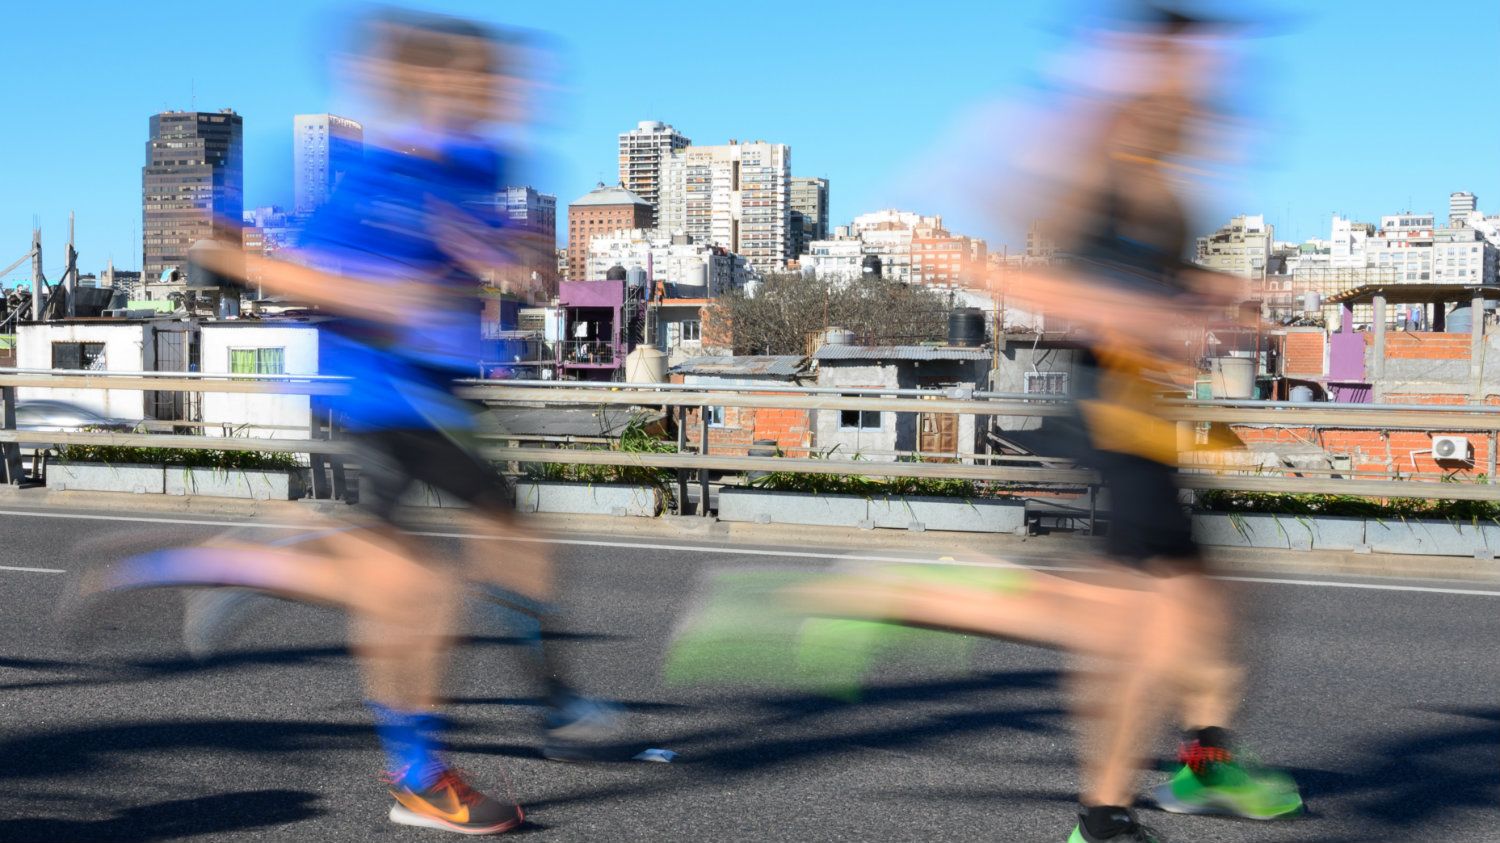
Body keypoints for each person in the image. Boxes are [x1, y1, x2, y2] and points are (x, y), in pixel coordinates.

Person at [64, 10, 615, 834]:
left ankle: (549, 698)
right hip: (374, 401)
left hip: (441, 396)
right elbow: (243, 259)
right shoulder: (370, 177)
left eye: (507, 84)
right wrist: (375, 294)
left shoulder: (482, 158)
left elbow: (492, 246)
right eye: (487, 82)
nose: (509, 96)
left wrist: (512, 256)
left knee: (508, 537)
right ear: (433, 86)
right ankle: (422, 775)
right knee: (409, 586)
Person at [777, 7, 1303, 842]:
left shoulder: (1156, 172)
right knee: (1129, 622)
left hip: (1147, 415)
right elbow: (1049, 284)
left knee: (1204, 603)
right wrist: (1142, 314)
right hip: (1110, 415)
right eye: (1199, 63)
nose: (1218, 85)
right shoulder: (1100, 154)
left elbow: (1151, 280)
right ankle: (1099, 811)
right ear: (1151, 63)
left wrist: (1226, 299)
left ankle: (1205, 765)